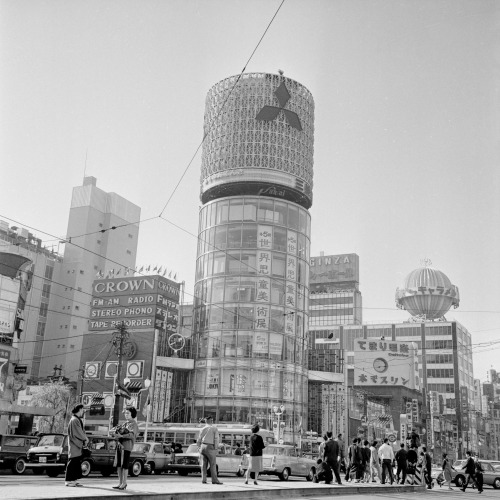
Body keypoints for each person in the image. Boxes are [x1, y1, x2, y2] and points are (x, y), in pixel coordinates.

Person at [112, 406, 139, 490]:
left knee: (125, 466)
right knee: (119, 465)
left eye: (128, 413)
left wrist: (121, 435)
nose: (126, 415)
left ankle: (124, 483)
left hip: (126, 447)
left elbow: (131, 435)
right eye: (125, 413)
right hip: (120, 446)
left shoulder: (133, 424)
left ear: (132, 414)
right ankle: (120, 482)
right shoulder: (124, 424)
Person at [65, 403, 88, 487]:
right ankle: (68, 480)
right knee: (72, 463)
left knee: (75, 463)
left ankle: (73, 480)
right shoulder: (75, 420)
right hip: (75, 444)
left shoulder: (75, 419)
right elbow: (78, 432)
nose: (83, 411)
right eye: (82, 409)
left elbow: (79, 431)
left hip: (75, 444)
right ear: (80, 409)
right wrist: (85, 438)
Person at [196, 415, 223, 485]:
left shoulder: (202, 429)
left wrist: (199, 447)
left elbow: (199, 439)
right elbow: (216, 439)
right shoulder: (214, 428)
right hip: (210, 446)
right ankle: (214, 480)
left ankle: (203, 479)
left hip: (202, 446)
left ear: (205, 421)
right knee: (213, 464)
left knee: (204, 464)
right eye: (212, 420)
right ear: (211, 421)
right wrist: (216, 448)